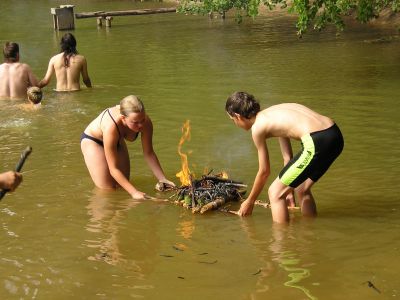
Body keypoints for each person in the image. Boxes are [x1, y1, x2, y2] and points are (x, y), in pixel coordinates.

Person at [225, 91, 344, 223]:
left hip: (317, 141)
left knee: (274, 193)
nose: (235, 124)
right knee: (301, 188)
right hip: (334, 134)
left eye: (233, 120)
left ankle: (283, 242)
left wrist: (250, 201)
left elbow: (264, 172)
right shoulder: (273, 113)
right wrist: (288, 190)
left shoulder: (257, 128)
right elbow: (288, 158)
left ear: (238, 116)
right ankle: (309, 233)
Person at [81, 95, 175, 199]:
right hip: (94, 141)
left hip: (116, 140)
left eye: (142, 119)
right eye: (135, 122)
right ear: (123, 119)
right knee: (109, 190)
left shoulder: (146, 123)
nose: (140, 125)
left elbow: (149, 153)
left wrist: (162, 178)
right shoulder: (111, 128)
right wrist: (134, 193)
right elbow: (114, 169)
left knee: (122, 186)